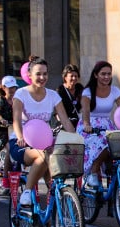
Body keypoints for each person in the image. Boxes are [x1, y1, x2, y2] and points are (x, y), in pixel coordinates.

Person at [11, 56, 77, 214]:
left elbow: (65, 120)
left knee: (52, 179)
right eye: (38, 74)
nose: (42, 78)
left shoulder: (53, 95)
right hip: (22, 144)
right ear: (29, 74)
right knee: (42, 157)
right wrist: (20, 137)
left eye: (45, 74)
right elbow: (16, 120)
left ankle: (53, 218)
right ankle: (26, 192)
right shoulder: (20, 94)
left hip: (45, 142)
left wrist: (75, 138)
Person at [77, 60, 120, 188]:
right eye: (103, 74)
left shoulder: (115, 91)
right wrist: (87, 124)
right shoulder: (88, 91)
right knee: (104, 143)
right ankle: (94, 170)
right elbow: (86, 110)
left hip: (107, 125)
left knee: (115, 144)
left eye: (109, 74)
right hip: (90, 127)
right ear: (96, 75)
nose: (106, 77)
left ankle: (110, 178)